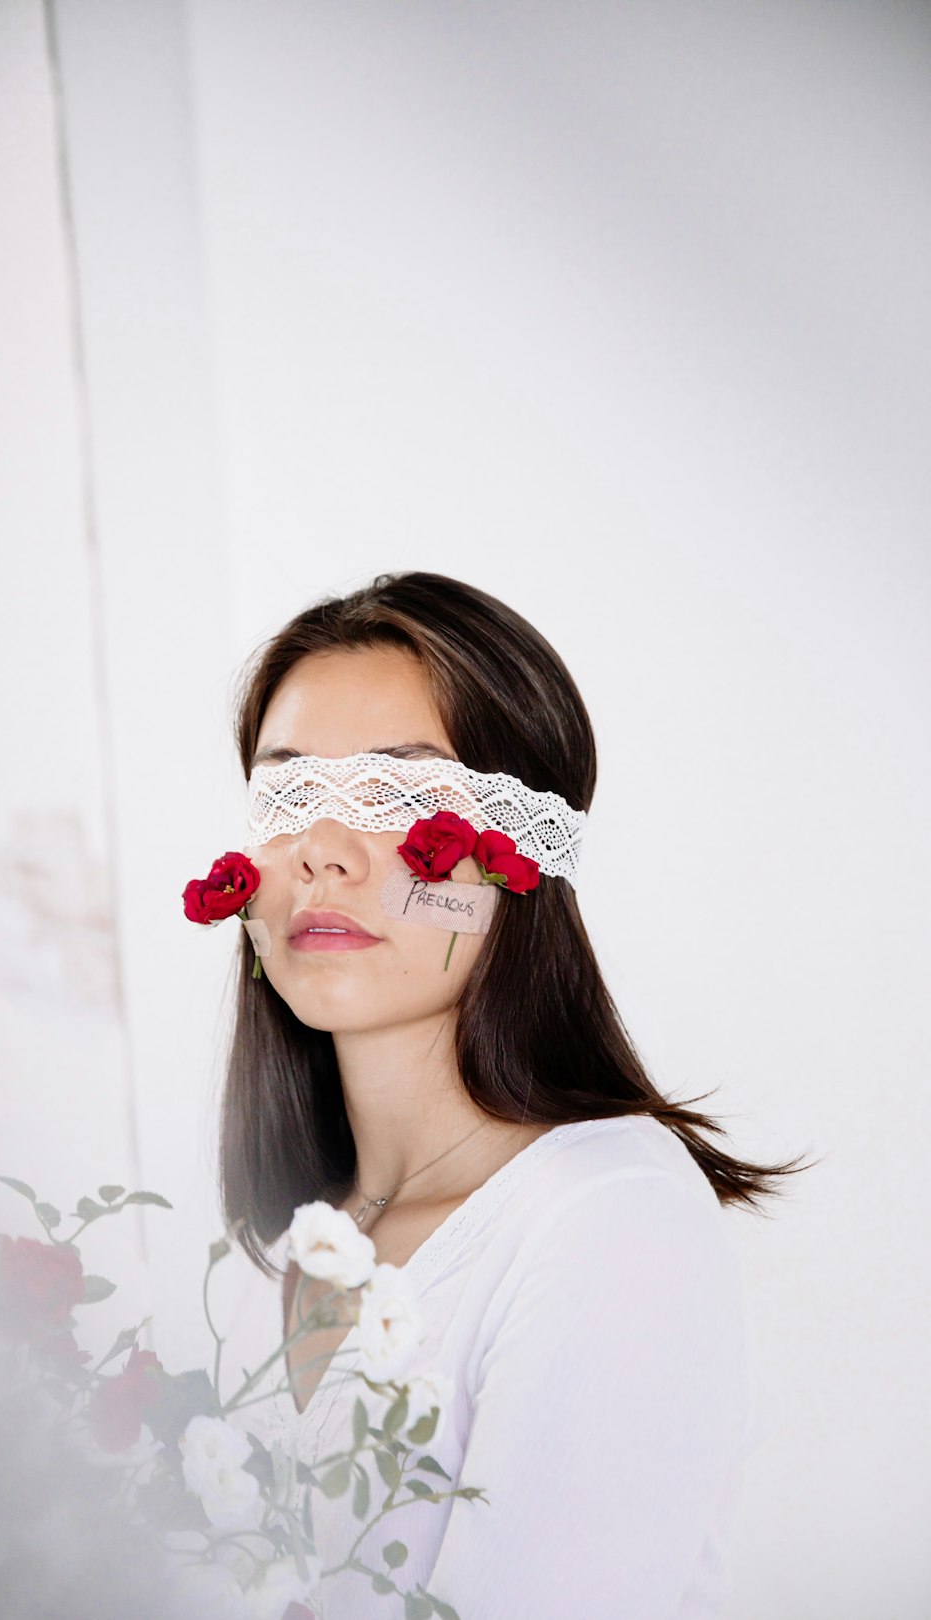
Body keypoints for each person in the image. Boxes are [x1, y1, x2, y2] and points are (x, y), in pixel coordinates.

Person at [204, 570, 811, 1619]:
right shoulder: (303, 1231)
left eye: (402, 798)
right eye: (291, 794)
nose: (322, 854)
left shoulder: (608, 1222)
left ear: (524, 859)